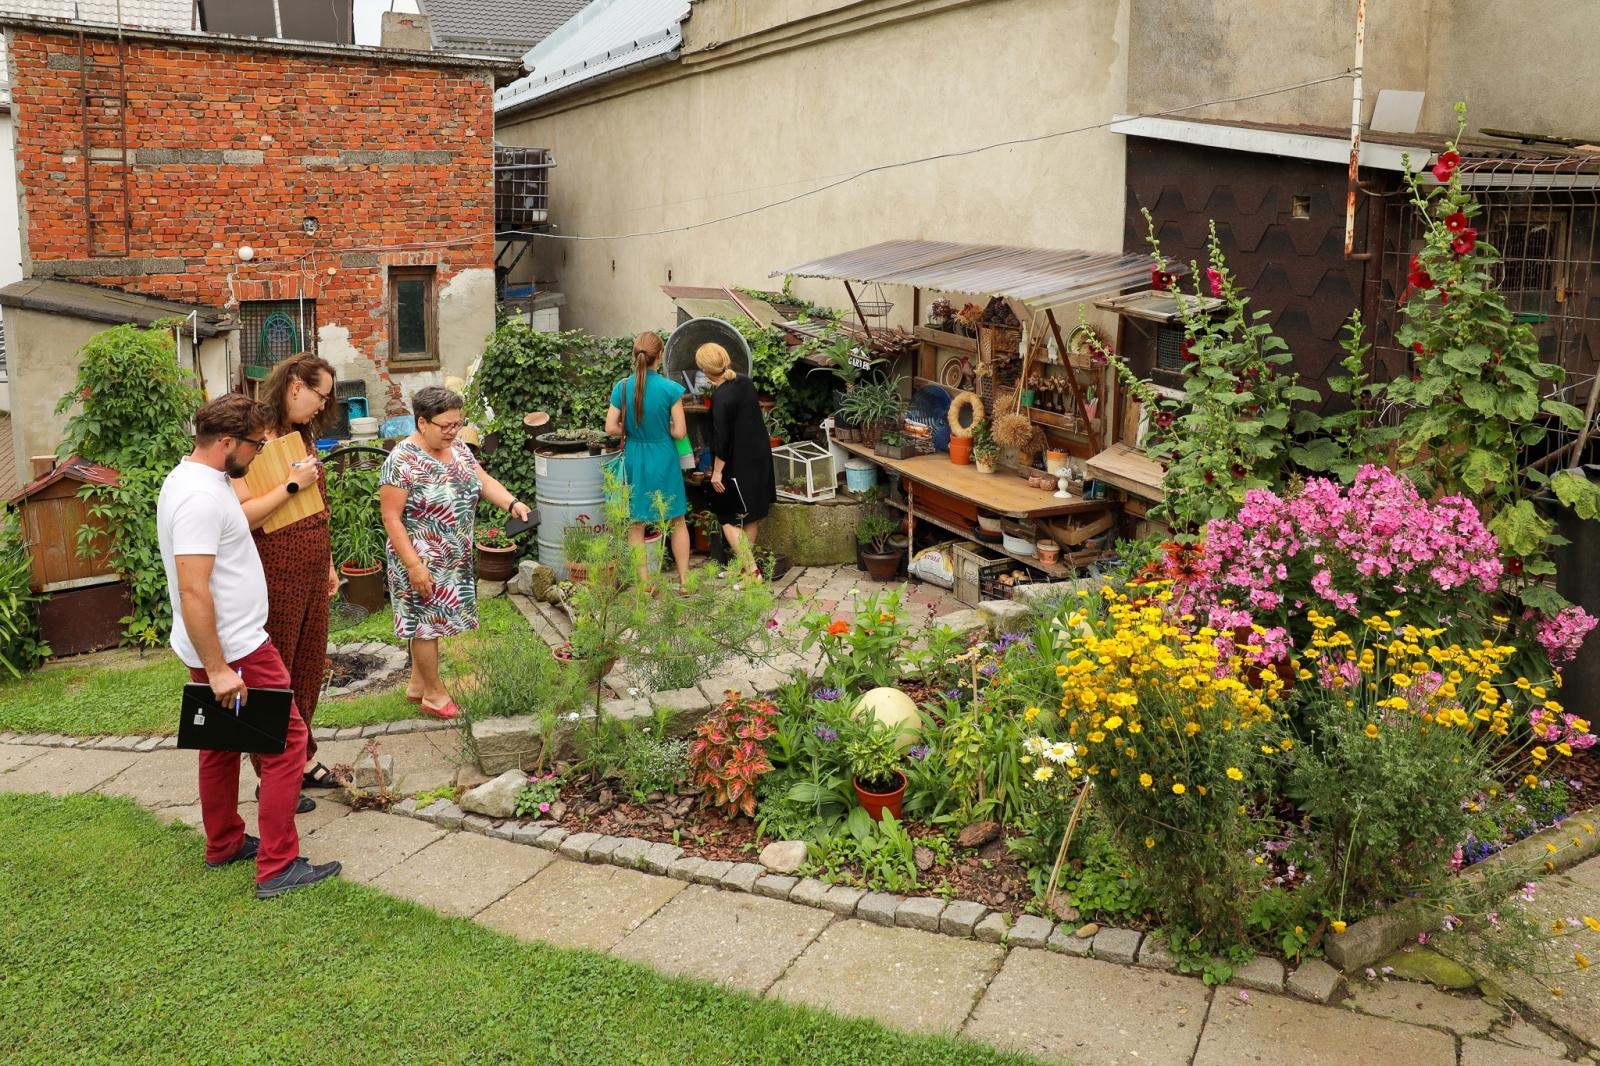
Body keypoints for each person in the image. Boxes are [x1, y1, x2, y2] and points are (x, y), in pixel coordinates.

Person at [156, 393, 342, 899]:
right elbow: (194, 588)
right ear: (225, 443)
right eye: (256, 446)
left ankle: (223, 843)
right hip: (235, 648)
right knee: (287, 744)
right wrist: (218, 667)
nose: (261, 453)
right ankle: (278, 865)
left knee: (218, 745)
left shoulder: (198, 479)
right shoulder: (198, 498)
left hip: (223, 644)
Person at [380, 386, 530, 719]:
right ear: (422, 422)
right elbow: (391, 517)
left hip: (453, 556)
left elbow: (483, 480)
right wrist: (413, 566)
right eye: (445, 425)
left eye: (457, 424)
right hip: (420, 558)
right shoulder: (401, 460)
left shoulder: (458, 448)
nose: (453, 431)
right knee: (425, 625)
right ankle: (434, 695)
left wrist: (513, 503)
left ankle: (418, 684)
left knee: (431, 623)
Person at [231, 354, 341, 797]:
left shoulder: (300, 434)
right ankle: (270, 773)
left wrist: (329, 563)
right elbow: (244, 517)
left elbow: (320, 505)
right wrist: (292, 484)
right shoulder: (250, 436)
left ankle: (302, 754)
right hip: (274, 569)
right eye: (320, 396)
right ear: (296, 385)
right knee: (277, 672)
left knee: (309, 666)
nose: (322, 406)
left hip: (313, 564)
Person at [605, 331, 690, 586]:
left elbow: (610, 428)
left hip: (635, 457)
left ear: (635, 355)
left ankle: (644, 585)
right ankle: (685, 581)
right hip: (664, 456)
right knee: (676, 519)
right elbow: (680, 432)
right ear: (660, 355)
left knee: (637, 523)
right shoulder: (671, 389)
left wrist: (630, 430)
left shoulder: (621, 388)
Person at [698, 342, 776, 579]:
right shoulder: (744, 382)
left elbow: (722, 441)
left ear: (705, 370)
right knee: (749, 515)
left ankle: (753, 573)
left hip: (737, 464)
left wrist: (717, 473)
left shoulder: (721, 398)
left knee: (726, 517)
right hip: (759, 457)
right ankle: (744, 569)